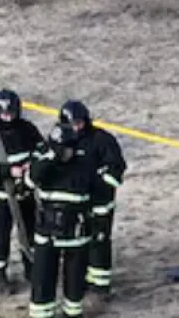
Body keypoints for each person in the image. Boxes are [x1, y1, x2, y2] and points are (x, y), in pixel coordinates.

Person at [0, 89, 44, 293]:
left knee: (31, 233)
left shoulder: (28, 129)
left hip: (27, 194)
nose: (8, 117)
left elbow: (41, 151)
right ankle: (0, 275)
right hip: (1, 197)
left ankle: (32, 269)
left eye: (11, 113)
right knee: (0, 236)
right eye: (4, 114)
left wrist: (32, 167)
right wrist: (7, 171)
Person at [26, 123, 95, 318]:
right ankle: (42, 313)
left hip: (76, 231)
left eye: (68, 149)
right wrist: (50, 158)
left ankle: (73, 312)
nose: (66, 154)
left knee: (75, 277)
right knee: (42, 278)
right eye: (62, 150)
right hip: (48, 232)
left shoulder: (84, 163)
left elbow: (93, 191)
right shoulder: (43, 163)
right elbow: (31, 179)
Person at [59, 100, 126, 299]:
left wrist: (97, 184)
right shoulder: (62, 141)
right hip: (77, 205)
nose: (77, 128)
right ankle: (83, 278)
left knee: (100, 240)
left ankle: (101, 284)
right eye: (73, 125)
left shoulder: (102, 140)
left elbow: (116, 169)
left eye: (80, 123)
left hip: (100, 204)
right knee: (80, 243)